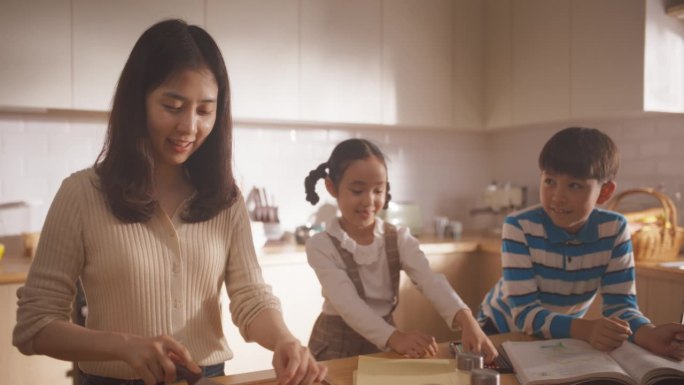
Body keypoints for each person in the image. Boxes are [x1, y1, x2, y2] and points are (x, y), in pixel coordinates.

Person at [12, 19, 327, 385]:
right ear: (137, 102)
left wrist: (284, 340)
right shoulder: (82, 194)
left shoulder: (225, 199)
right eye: (173, 106)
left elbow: (251, 297)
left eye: (205, 110)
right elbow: (34, 326)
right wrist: (124, 346)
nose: (189, 127)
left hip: (208, 378)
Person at [477, 126, 684, 360]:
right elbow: (524, 314)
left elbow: (620, 306)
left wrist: (649, 334)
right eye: (550, 181)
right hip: (499, 329)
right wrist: (585, 329)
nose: (557, 196)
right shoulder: (519, 226)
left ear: (605, 192)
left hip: (558, 333)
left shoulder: (614, 229)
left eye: (574, 185)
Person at [303, 138, 497, 361]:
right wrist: (396, 337)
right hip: (335, 348)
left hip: (385, 345)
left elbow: (430, 280)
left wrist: (467, 320)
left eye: (378, 190)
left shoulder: (398, 239)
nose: (369, 200)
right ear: (331, 187)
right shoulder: (321, 245)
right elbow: (349, 305)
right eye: (357, 190)